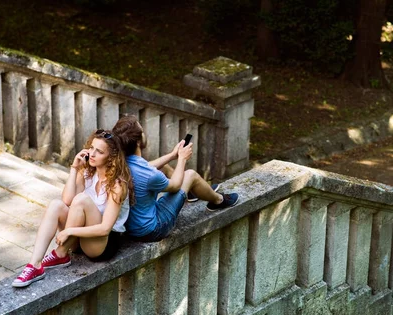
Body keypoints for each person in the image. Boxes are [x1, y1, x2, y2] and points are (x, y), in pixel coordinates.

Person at [12, 129, 132, 288]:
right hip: (80, 238)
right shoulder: (88, 172)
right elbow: (67, 200)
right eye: (92, 148)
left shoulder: (117, 185)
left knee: (82, 199)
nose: (93, 154)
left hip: (102, 244)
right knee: (56, 205)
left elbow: (104, 229)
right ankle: (34, 265)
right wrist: (74, 169)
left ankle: (61, 253)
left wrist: (69, 231)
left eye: (99, 151)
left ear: (111, 157)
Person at [112, 114, 239, 241]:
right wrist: (182, 159)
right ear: (138, 141)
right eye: (142, 131)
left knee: (164, 166)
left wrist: (172, 155)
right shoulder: (150, 174)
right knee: (190, 175)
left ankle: (191, 193)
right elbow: (175, 185)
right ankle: (218, 200)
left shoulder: (120, 163)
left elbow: (148, 168)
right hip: (152, 230)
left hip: (131, 227)